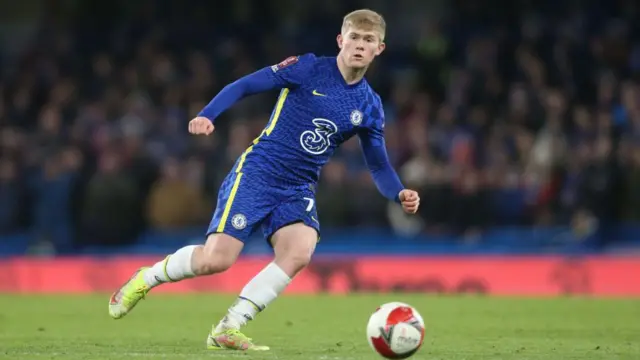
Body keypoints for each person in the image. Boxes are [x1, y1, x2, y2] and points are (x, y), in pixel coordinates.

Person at [108, 9, 421, 351]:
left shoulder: (370, 105)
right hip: (260, 171)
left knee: (299, 251)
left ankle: (230, 326)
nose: (360, 45)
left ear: (380, 48)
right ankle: (145, 278)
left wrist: (399, 192)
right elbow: (245, 84)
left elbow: (377, 165)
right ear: (340, 40)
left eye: (368, 40)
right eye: (354, 37)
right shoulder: (309, 68)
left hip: (299, 185)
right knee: (217, 260)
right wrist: (207, 114)